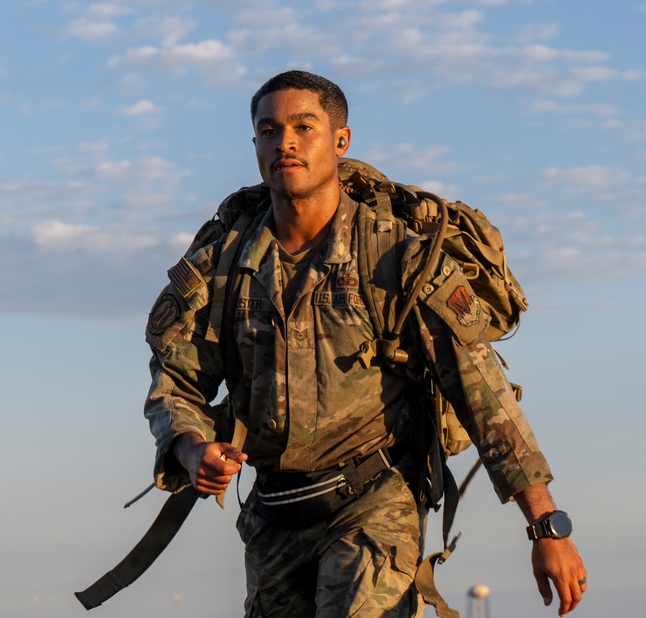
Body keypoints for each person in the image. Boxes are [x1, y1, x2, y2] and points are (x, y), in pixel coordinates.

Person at [143, 70, 587, 618]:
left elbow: (483, 393)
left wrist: (546, 525)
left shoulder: (399, 257)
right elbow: (176, 385)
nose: (284, 141)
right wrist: (192, 450)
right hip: (274, 514)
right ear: (255, 144)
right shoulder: (225, 265)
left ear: (340, 141)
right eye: (268, 129)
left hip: (375, 506)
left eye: (304, 126)